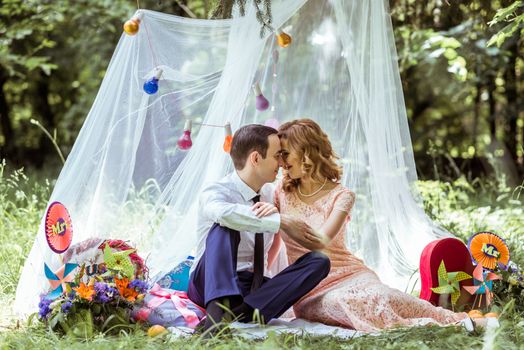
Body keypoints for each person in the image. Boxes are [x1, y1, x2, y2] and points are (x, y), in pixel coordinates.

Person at [268, 119, 468, 332]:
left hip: (351, 274)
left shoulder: (342, 196)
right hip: (310, 290)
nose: (281, 162)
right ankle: (426, 323)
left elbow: (321, 241)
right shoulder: (280, 191)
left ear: (306, 151)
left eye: (285, 153)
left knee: (380, 296)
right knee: (350, 303)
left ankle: (453, 320)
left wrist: (284, 220)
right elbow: (273, 243)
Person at [187, 124, 330, 333]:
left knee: (319, 261)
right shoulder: (216, 191)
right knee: (224, 226)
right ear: (255, 158)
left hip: (252, 290)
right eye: (277, 156)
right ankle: (216, 320)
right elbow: (223, 213)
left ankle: (241, 312)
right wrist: (279, 221)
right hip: (209, 283)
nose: (281, 163)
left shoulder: (272, 194)